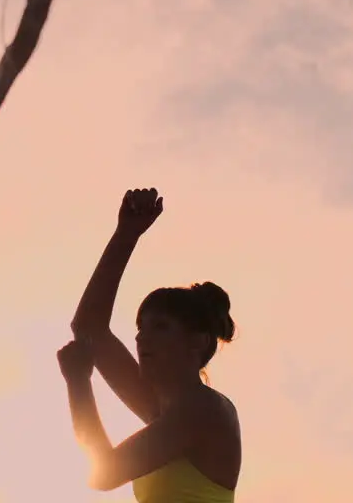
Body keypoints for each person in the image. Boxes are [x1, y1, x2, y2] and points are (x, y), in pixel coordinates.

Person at [60, 187, 240, 502]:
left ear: (196, 342)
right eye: (141, 327)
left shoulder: (205, 410)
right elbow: (88, 328)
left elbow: (103, 474)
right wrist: (126, 234)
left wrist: (78, 383)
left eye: (160, 327)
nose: (142, 337)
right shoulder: (161, 409)